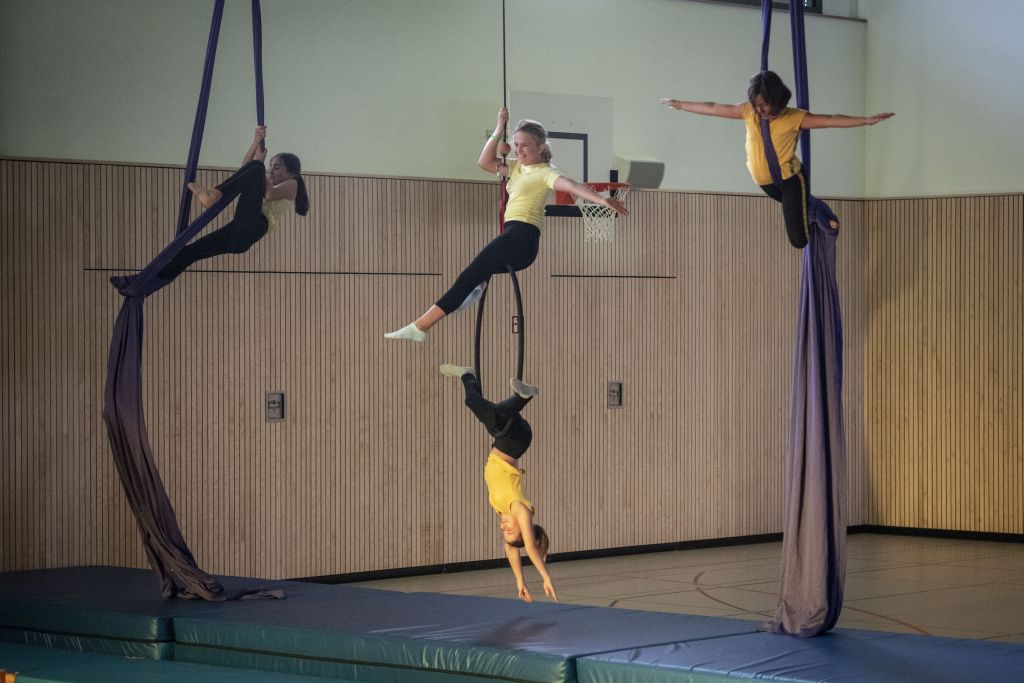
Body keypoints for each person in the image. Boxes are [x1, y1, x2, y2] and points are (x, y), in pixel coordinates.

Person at [384, 107, 628, 342]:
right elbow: (484, 161)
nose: (520, 150)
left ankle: (422, 326)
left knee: (469, 274)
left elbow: (573, 186)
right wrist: (499, 127)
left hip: (522, 238)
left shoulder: (545, 172)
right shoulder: (515, 167)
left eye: (526, 145)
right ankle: (469, 293)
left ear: (541, 146)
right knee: (473, 275)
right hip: (513, 235)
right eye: (517, 144)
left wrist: (601, 199)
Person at [662, 71, 893, 248]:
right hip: (766, 184)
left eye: (763, 104)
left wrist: (865, 120)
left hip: (791, 180)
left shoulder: (794, 118)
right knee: (801, 213)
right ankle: (813, 210)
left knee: (799, 240)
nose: (759, 109)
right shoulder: (749, 112)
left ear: (777, 99)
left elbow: (830, 120)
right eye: (756, 105)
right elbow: (713, 108)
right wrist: (681, 104)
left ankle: (822, 213)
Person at [439, 363, 556, 603]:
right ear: (523, 527)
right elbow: (530, 550)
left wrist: (520, 582)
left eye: (503, 532)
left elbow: (511, 549)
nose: (504, 528)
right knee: (479, 406)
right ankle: (517, 394)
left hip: (505, 439)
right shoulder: (519, 509)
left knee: (494, 412)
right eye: (511, 529)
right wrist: (545, 577)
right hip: (514, 442)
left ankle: (506, 392)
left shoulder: (502, 510)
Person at [155, 126, 309, 282]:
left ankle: (214, 195)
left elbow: (269, 195)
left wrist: (259, 165)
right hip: (239, 233)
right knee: (190, 252)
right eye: (270, 166)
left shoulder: (292, 184)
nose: (271, 171)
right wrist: (255, 142)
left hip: (254, 226)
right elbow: (245, 169)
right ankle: (154, 280)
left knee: (256, 168)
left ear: (292, 172)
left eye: (276, 167)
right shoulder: (268, 181)